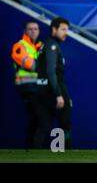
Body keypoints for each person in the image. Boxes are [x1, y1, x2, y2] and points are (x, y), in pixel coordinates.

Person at [34, 17, 71, 149]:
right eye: (63, 29)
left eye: (67, 30)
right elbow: (51, 71)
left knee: (43, 126)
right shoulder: (52, 45)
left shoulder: (46, 44)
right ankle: (63, 153)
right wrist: (58, 94)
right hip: (54, 89)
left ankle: (33, 155)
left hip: (42, 90)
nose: (66, 32)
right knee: (65, 122)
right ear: (54, 29)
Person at [11, 20, 43, 148]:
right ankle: (33, 149)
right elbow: (33, 66)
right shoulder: (19, 46)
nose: (33, 31)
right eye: (30, 29)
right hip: (27, 87)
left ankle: (30, 149)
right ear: (25, 31)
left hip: (39, 87)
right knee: (39, 119)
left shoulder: (39, 45)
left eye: (36, 29)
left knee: (35, 119)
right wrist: (42, 63)